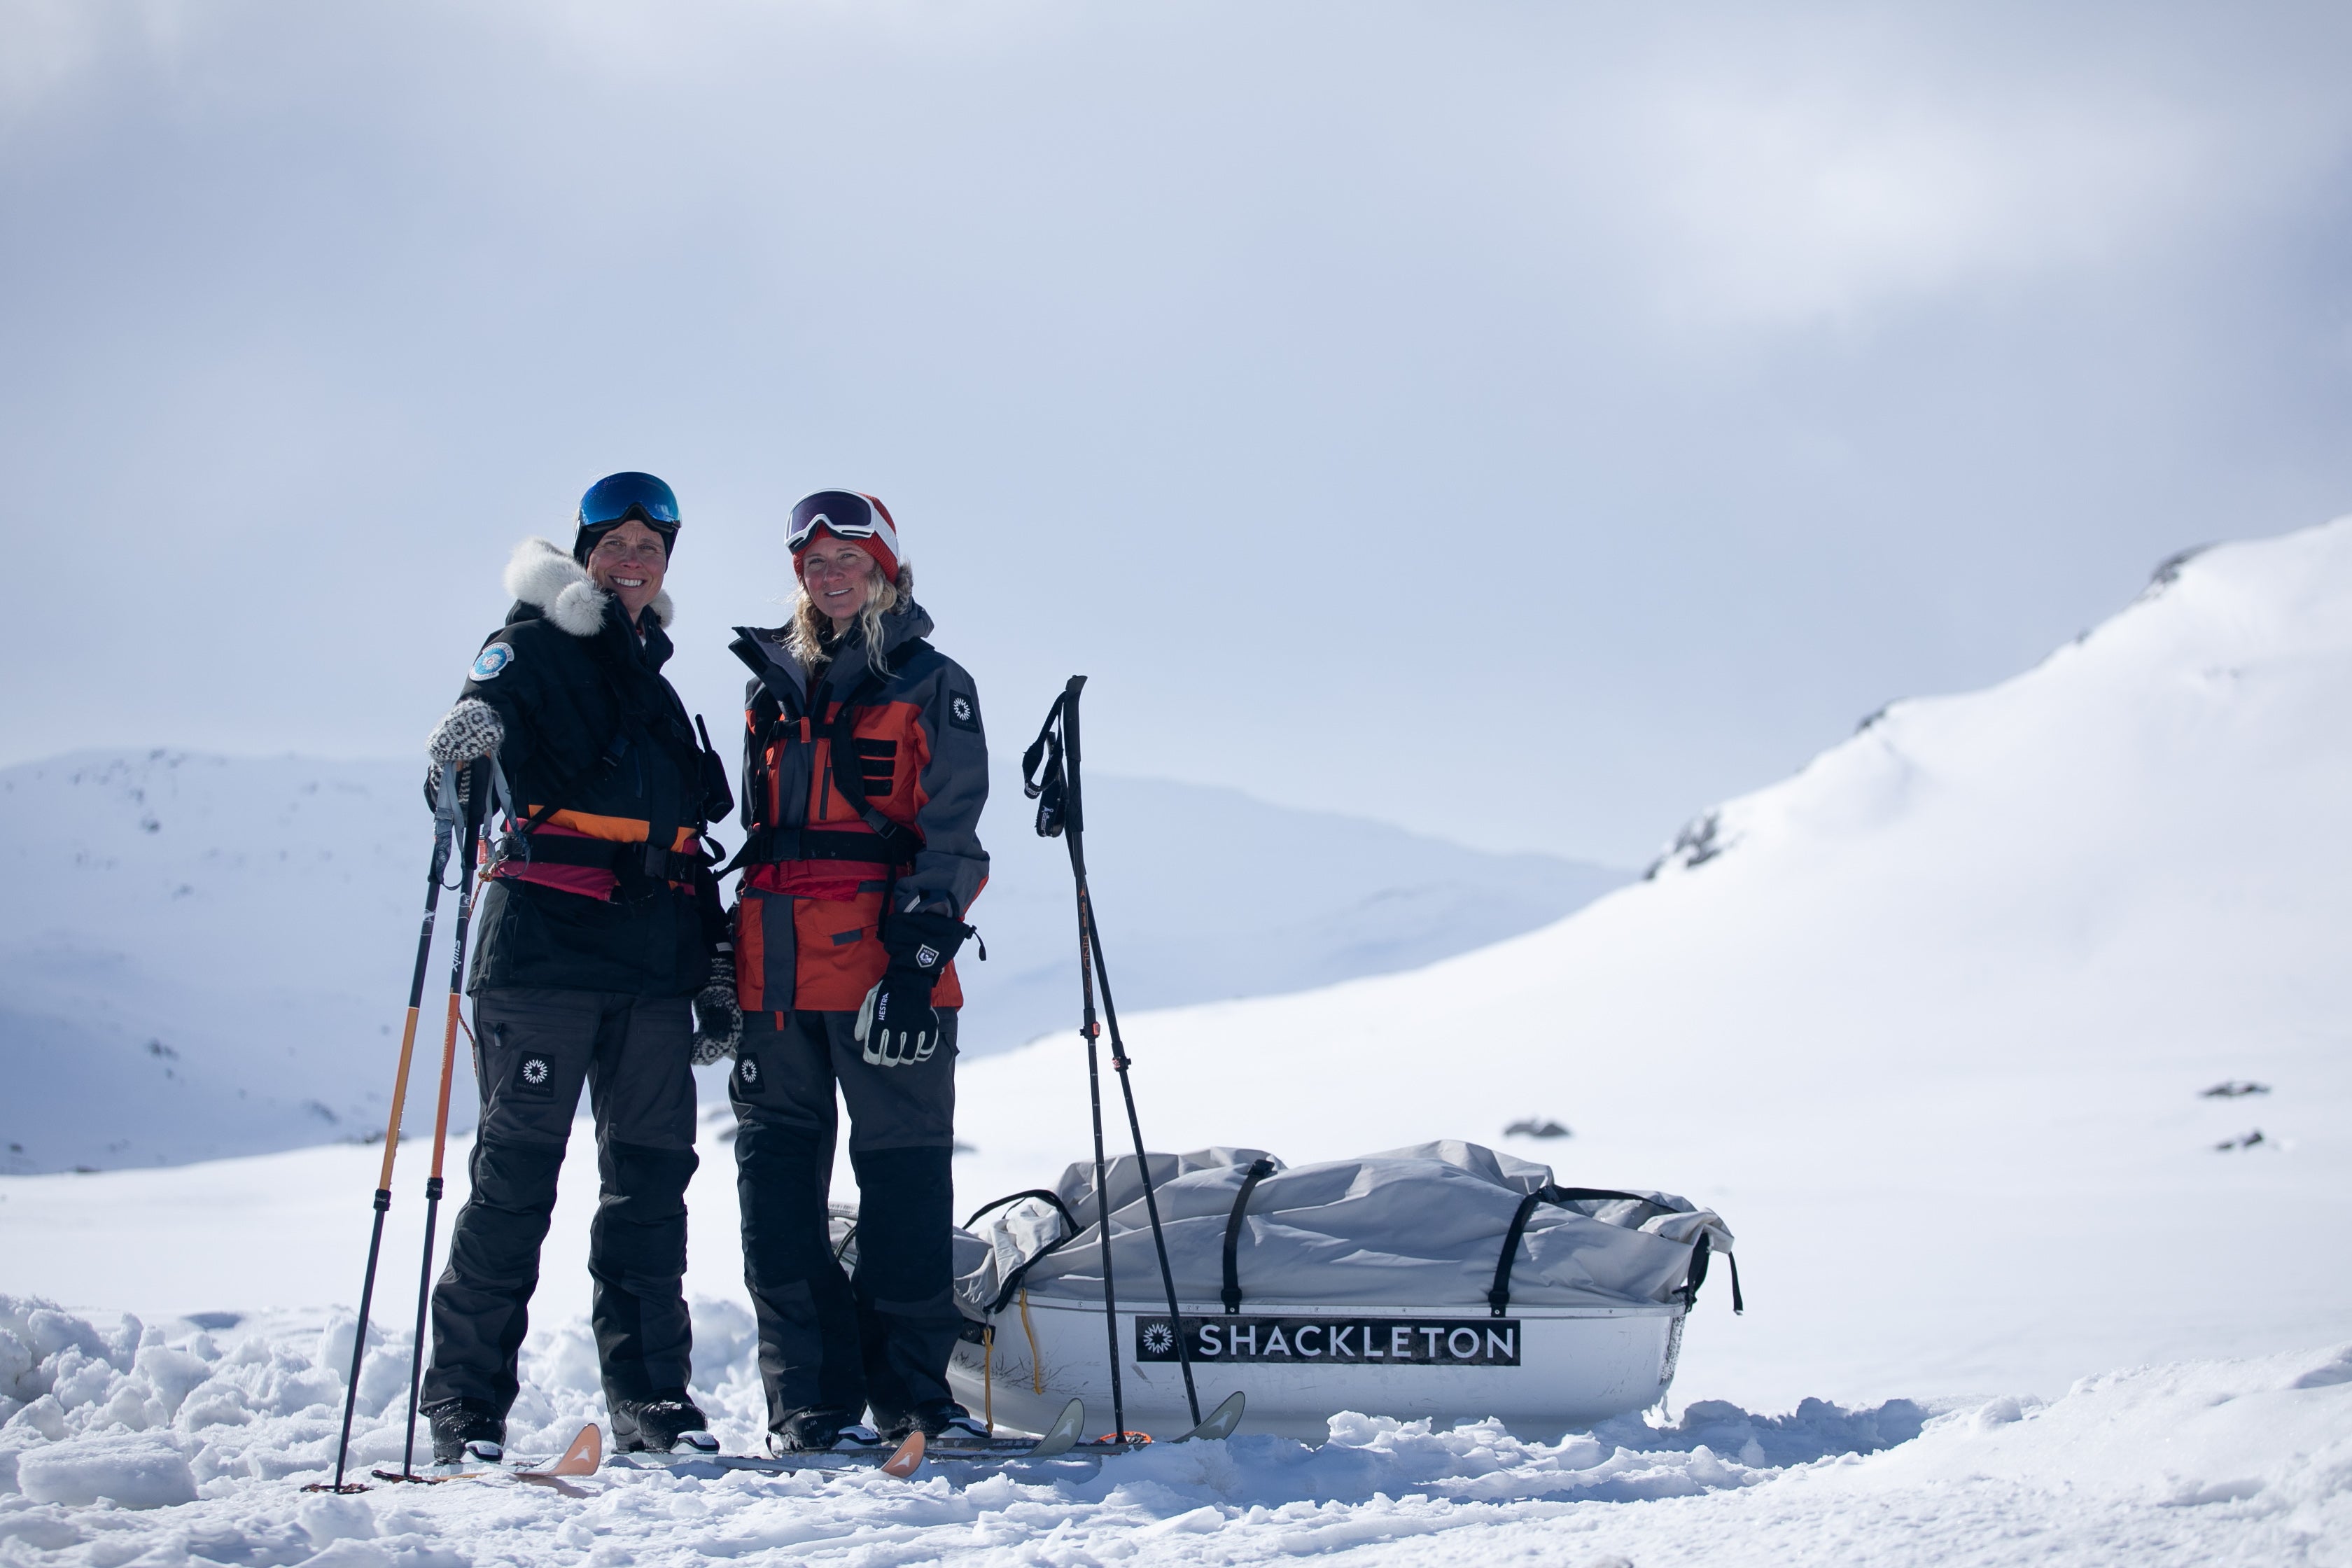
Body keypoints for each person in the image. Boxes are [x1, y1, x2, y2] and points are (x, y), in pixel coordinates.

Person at [416, 471, 741, 1462]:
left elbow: (686, 842)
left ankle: (652, 1400)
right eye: (619, 545)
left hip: (650, 972)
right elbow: (466, 770)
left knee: (650, 1189)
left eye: (654, 548)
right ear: (585, 553)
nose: (636, 563)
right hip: (545, 961)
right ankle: (466, 1409)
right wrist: (451, 765)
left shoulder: (656, 682)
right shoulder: (529, 646)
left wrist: (713, 967)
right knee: (515, 1183)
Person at [724, 489, 989, 1453]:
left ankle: (915, 1396)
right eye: (815, 565)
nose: (832, 576)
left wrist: (918, 966)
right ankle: (810, 1402)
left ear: (885, 568)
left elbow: (952, 837)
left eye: (850, 559)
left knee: (905, 1197)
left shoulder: (932, 683)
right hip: (773, 980)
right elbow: (760, 837)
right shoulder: (770, 688)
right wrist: (727, 961)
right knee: (777, 1201)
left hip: (888, 982)